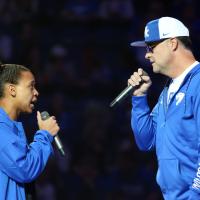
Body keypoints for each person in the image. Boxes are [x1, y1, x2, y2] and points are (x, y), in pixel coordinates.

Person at [128, 16, 200, 200]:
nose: (146, 54)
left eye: (151, 47)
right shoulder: (168, 90)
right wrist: (139, 97)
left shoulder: (198, 83)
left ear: (173, 43)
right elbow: (146, 141)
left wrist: (194, 194)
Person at [0, 63, 60, 200]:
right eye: (31, 86)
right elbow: (24, 169)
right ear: (12, 90)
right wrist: (45, 135)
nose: (36, 92)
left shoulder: (9, 129)